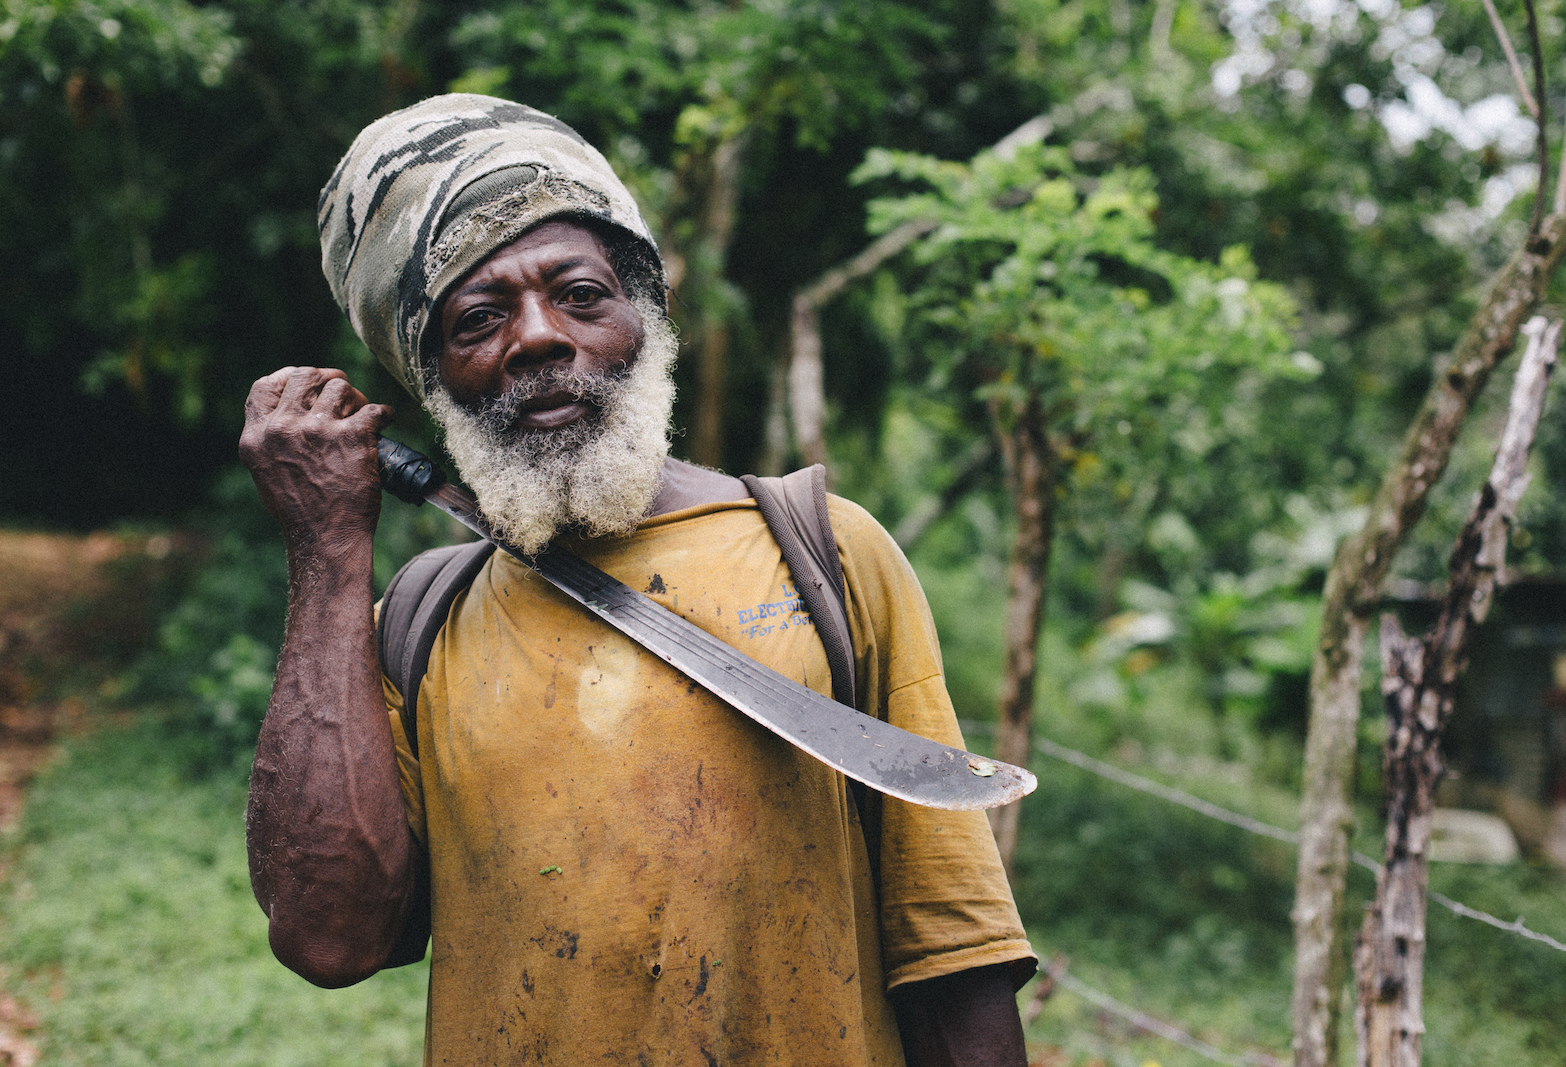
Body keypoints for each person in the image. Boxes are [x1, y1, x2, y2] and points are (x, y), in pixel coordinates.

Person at [241, 94, 1034, 1067]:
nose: (537, 335)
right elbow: (328, 937)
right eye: (479, 317)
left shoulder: (825, 552)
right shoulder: (418, 623)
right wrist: (326, 550)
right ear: (437, 381)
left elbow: (953, 944)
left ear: (645, 317)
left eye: (579, 293)